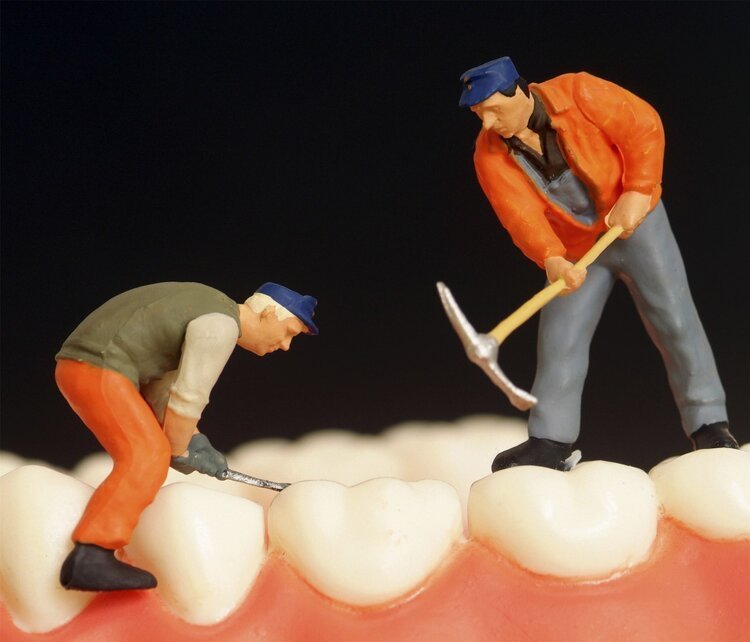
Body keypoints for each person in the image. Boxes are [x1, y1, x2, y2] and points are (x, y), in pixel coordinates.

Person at [457, 56, 739, 472]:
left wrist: (638, 189)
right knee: (560, 339)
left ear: (518, 91)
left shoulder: (580, 93)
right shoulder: (489, 154)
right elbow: (519, 215)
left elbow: (643, 126)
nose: (487, 123)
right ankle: (550, 440)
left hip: (636, 226)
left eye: (494, 110)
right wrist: (551, 258)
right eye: (480, 114)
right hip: (575, 251)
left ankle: (709, 423)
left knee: (676, 320)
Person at [55, 281, 318, 591]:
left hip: (97, 366)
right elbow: (188, 397)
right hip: (96, 367)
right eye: (288, 332)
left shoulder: (209, 308)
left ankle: (88, 558)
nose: (285, 345)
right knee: (146, 457)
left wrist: (193, 441)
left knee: (151, 453)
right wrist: (178, 448)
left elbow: (162, 388)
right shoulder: (220, 326)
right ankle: (92, 556)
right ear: (268, 313)